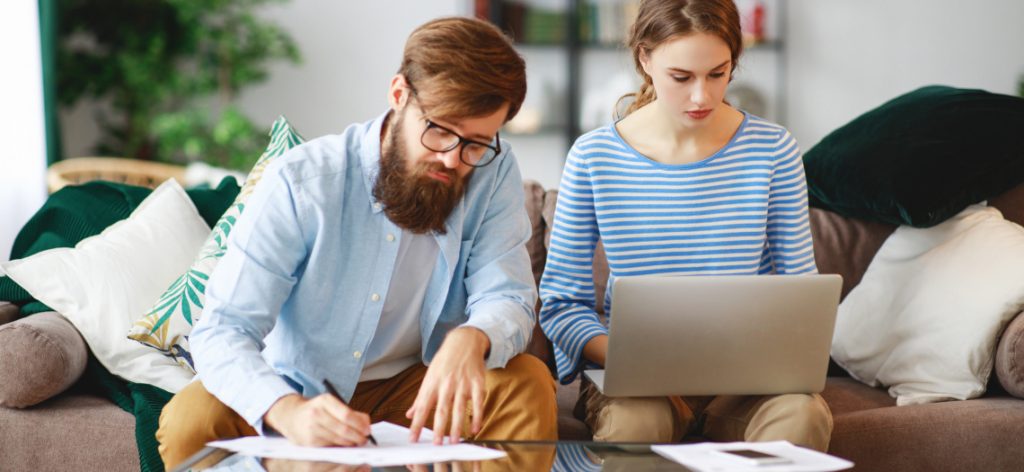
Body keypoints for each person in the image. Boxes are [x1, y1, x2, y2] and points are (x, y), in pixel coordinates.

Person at [157, 16, 557, 469]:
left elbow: (508, 295)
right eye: (440, 129)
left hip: (420, 386)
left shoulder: (492, 170)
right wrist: (287, 412)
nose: (453, 158)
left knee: (526, 384)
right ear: (399, 94)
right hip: (301, 385)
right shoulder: (303, 181)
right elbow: (223, 328)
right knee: (191, 421)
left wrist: (474, 336)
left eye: (476, 143)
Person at [539, 0, 832, 451]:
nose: (702, 97)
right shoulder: (594, 156)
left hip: (746, 383)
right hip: (639, 385)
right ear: (644, 58)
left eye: (718, 73)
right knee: (635, 423)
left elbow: (799, 289)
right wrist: (629, 358)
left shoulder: (774, 150)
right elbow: (562, 304)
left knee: (802, 414)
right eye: (682, 77)